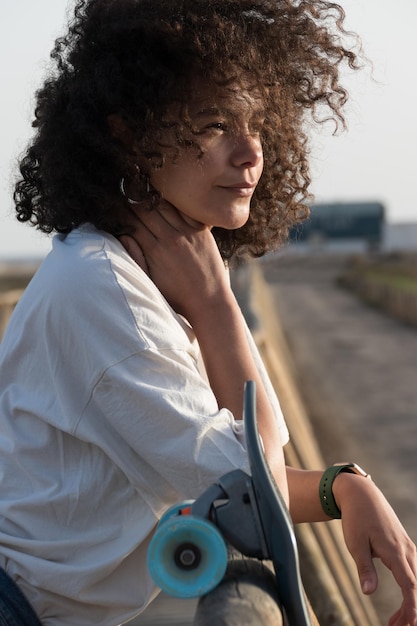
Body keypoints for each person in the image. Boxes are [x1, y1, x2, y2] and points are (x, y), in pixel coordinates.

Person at [1, 0, 416, 624]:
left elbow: (226, 468)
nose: (251, 152)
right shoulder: (103, 289)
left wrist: (341, 486)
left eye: (256, 123)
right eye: (215, 122)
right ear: (129, 130)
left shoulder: (125, 268)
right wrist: (220, 306)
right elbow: (258, 488)